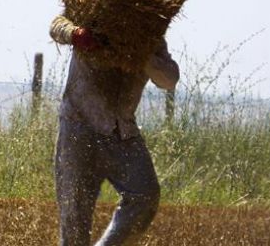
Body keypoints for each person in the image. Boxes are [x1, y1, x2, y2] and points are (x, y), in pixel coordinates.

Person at [50, 15, 179, 246]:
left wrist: (142, 55)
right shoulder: (93, 9)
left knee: (145, 196)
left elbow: (169, 79)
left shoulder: (150, 33)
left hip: (122, 133)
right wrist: (76, 34)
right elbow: (57, 25)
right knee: (74, 222)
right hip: (79, 127)